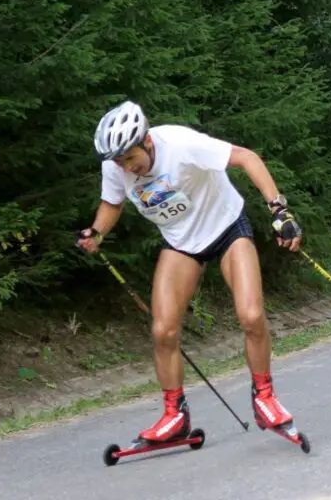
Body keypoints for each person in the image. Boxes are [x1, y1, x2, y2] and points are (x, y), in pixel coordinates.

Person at [76, 100, 304, 444]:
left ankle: (264, 398)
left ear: (147, 143)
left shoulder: (181, 144)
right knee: (163, 330)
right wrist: (98, 232)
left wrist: (279, 210)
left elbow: (246, 157)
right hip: (182, 242)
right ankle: (174, 415)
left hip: (227, 228)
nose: (128, 169)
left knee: (251, 315)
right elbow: (113, 202)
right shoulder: (117, 167)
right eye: (120, 163)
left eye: (131, 159)